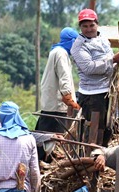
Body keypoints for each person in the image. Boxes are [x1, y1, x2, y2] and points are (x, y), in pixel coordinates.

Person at [71, 8, 119, 147]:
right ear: (80, 27)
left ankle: (101, 157)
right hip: (92, 94)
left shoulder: (103, 39)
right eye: (85, 26)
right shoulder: (78, 47)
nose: (89, 29)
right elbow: (89, 68)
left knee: (107, 127)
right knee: (94, 130)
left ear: (97, 24)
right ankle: (91, 160)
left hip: (108, 91)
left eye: (91, 25)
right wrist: (113, 60)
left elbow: (110, 61)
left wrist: (117, 69)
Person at [35, 27, 80, 162]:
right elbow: (64, 77)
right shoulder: (61, 53)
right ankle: (45, 164)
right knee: (52, 140)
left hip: (50, 105)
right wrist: (69, 98)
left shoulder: (56, 51)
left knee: (43, 136)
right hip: (57, 108)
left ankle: (41, 162)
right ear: (71, 41)